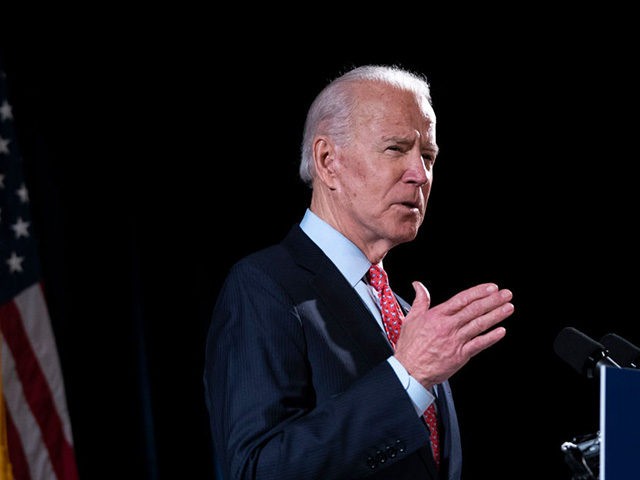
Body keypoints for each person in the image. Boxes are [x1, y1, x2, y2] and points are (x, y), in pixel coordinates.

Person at [203, 64, 515, 480]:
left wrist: (411, 371)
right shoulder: (264, 285)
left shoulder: (405, 314)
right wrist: (408, 376)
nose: (420, 175)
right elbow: (256, 470)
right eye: (395, 149)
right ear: (328, 161)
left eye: (428, 156)